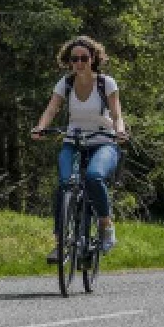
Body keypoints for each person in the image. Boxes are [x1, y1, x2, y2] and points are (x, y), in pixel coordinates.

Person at [31, 35, 128, 262]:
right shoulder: (65, 83)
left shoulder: (106, 83)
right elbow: (51, 109)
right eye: (74, 59)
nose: (79, 63)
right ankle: (60, 243)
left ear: (93, 58)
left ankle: (105, 226)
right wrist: (40, 127)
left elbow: (116, 115)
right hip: (73, 141)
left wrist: (120, 131)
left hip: (103, 142)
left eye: (84, 58)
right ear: (69, 61)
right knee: (65, 184)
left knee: (94, 177)